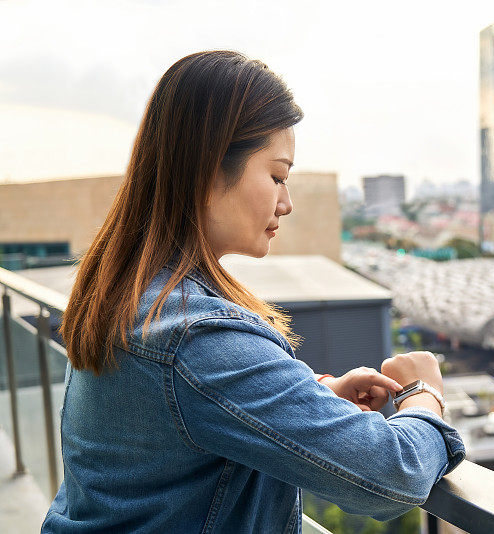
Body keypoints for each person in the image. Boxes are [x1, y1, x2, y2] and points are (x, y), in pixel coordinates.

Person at [42, 51, 464, 533]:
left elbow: (176, 425)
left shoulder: (128, 295)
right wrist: (422, 392)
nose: (286, 203)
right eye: (277, 176)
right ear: (207, 169)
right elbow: (393, 475)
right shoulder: (193, 337)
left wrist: (313, 397)